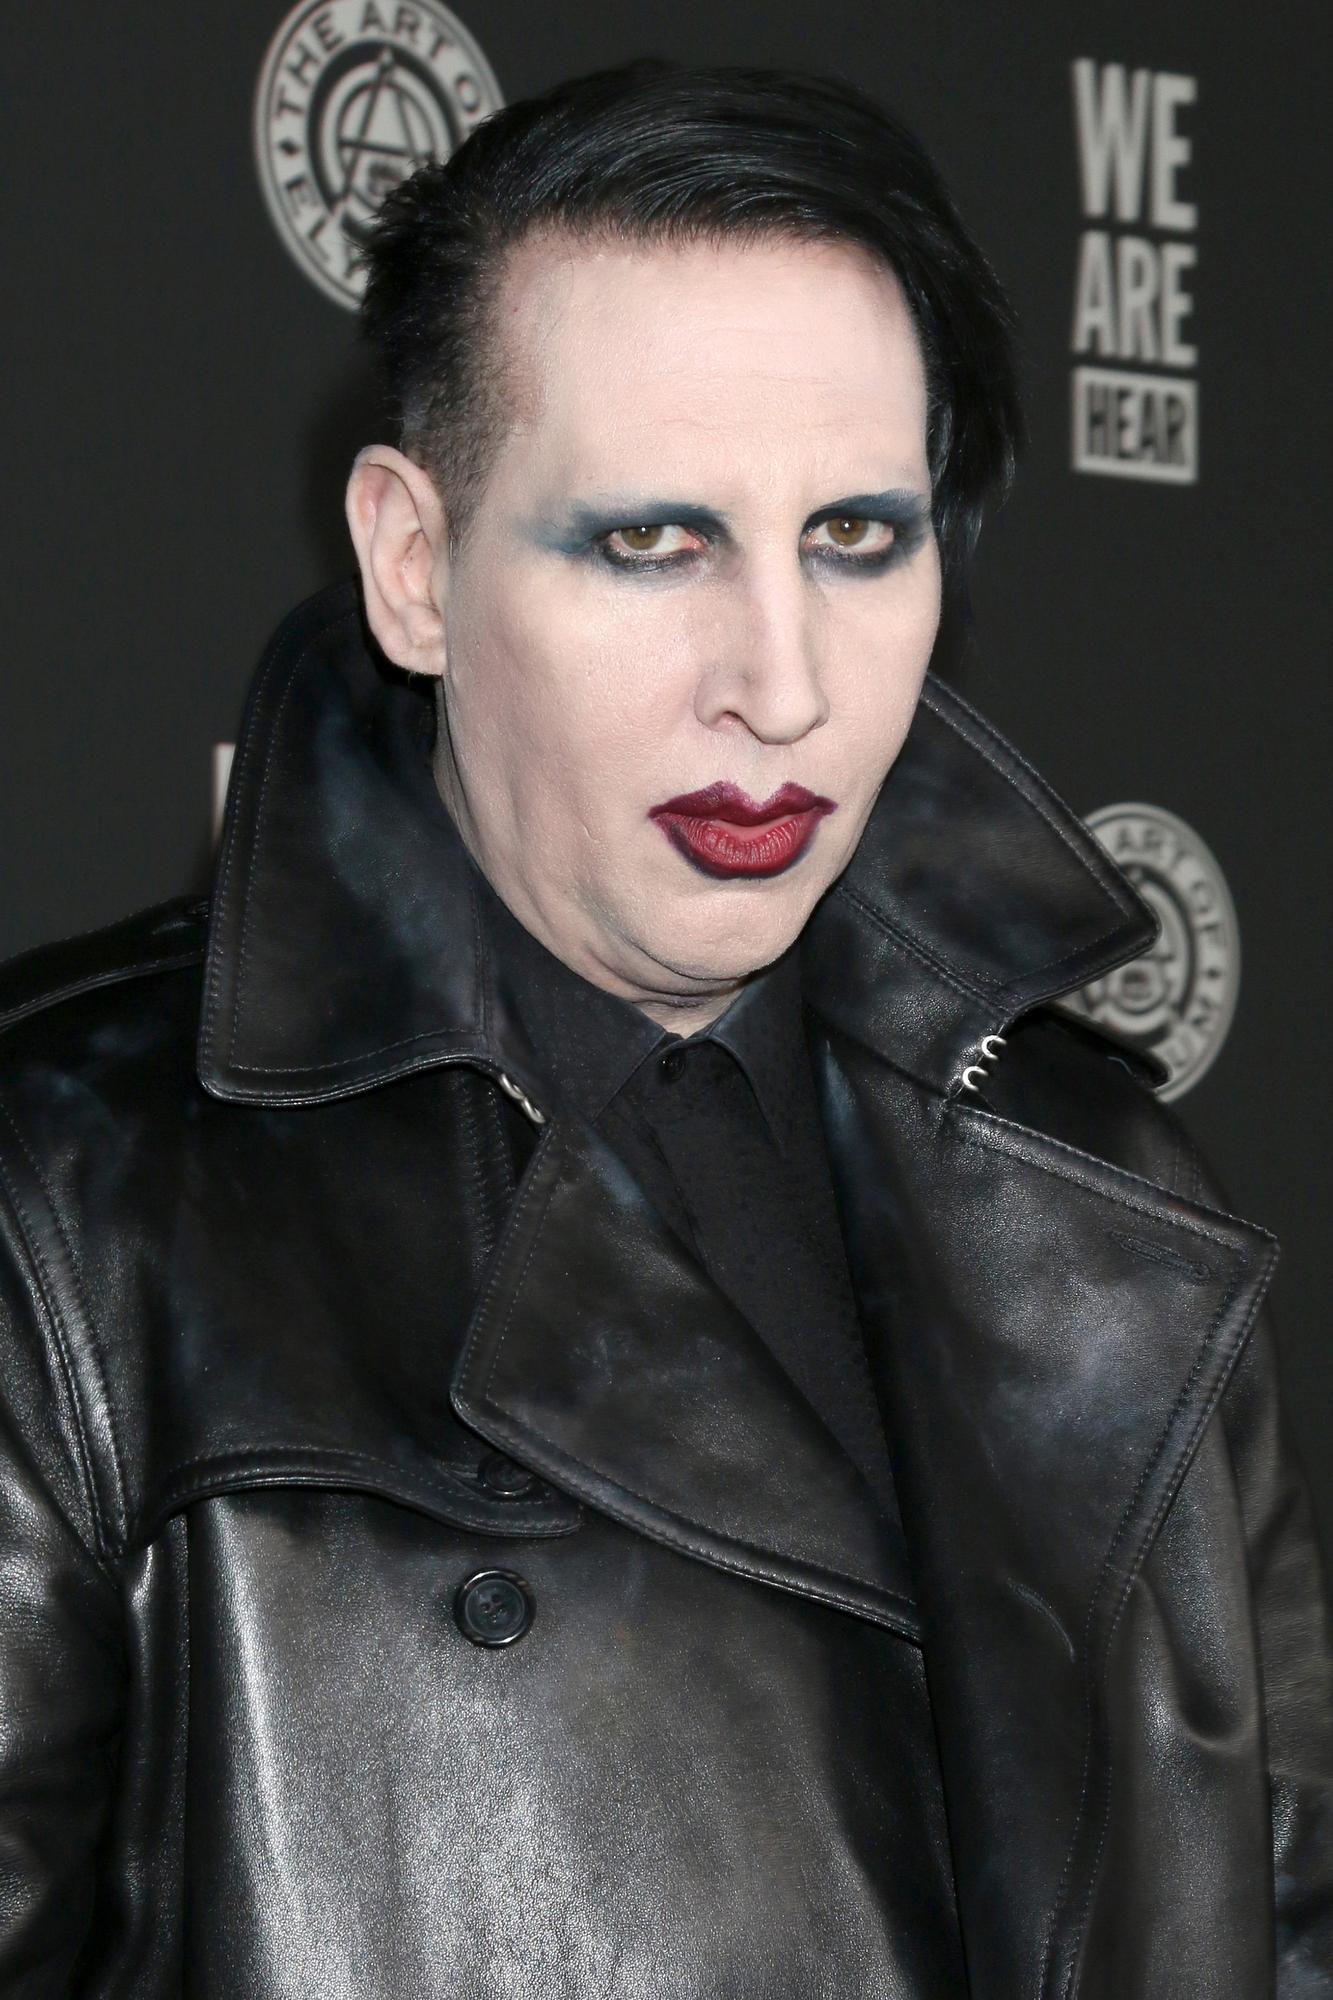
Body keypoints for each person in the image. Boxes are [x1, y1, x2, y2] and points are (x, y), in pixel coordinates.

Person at [0, 56, 1328, 1999]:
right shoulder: (67, 1196)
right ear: (414, 565)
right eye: (654, 542)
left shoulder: (1102, 1186)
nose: (779, 686)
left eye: (856, 537)